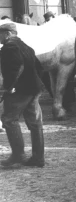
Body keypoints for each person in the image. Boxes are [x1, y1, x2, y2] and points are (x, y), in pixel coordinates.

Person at [0, 23, 45, 167]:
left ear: (8, 34)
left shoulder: (9, 47)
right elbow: (39, 67)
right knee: (35, 123)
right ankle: (38, 158)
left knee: (9, 119)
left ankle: (18, 156)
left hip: (20, 90)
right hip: (34, 89)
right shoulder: (26, 47)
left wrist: (9, 87)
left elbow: (18, 67)